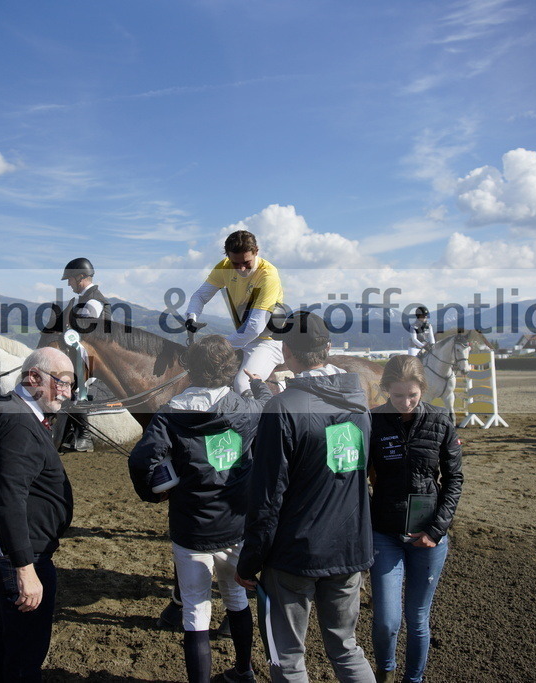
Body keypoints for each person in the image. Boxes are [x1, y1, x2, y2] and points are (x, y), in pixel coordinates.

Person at [235, 311, 376, 683]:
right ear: (327, 349)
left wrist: (249, 561)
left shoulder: (283, 410)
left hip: (295, 553)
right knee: (347, 649)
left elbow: (266, 498)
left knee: (289, 658)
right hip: (350, 549)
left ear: (285, 351)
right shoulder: (358, 404)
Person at [128, 335, 271, 683]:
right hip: (235, 525)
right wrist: (260, 387)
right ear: (229, 369)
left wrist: (154, 494)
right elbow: (264, 405)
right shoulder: (244, 411)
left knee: (195, 610)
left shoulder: (169, 415)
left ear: (191, 368)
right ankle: (243, 670)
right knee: (236, 598)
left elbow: (140, 460)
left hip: (191, 528)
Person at [0, 347, 75, 682]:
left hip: (11, 549)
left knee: (9, 638)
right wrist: (25, 568)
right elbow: (9, 498)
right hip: (19, 554)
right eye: (62, 383)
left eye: (71, 385)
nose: (67, 393)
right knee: (26, 653)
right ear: (33, 377)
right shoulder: (17, 423)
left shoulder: (12, 409)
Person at [368, 355, 462, 683]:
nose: (405, 403)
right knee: (386, 620)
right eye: (397, 396)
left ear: (423, 388)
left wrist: (436, 530)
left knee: (418, 618)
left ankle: (414, 679)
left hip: (428, 535)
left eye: (412, 395)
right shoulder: (373, 421)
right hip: (385, 533)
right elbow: (358, 475)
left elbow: (454, 479)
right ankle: (386, 672)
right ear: (385, 392)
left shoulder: (441, 421)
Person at [186, 230, 285, 395]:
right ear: (228, 256)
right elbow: (200, 296)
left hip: (268, 343)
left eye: (246, 262)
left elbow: (254, 327)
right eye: (235, 263)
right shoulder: (224, 267)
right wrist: (191, 317)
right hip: (244, 338)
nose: (241, 269)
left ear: (256, 252)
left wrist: (217, 347)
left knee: (242, 383)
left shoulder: (268, 275)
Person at [58, 257, 110, 451]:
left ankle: (85, 436)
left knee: (79, 388)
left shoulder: (94, 300)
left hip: (92, 355)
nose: (69, 284)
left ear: (80, 277)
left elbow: (88, 333)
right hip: (80, 351)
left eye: (70, 280)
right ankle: (69, 433)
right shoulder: (80, 299)